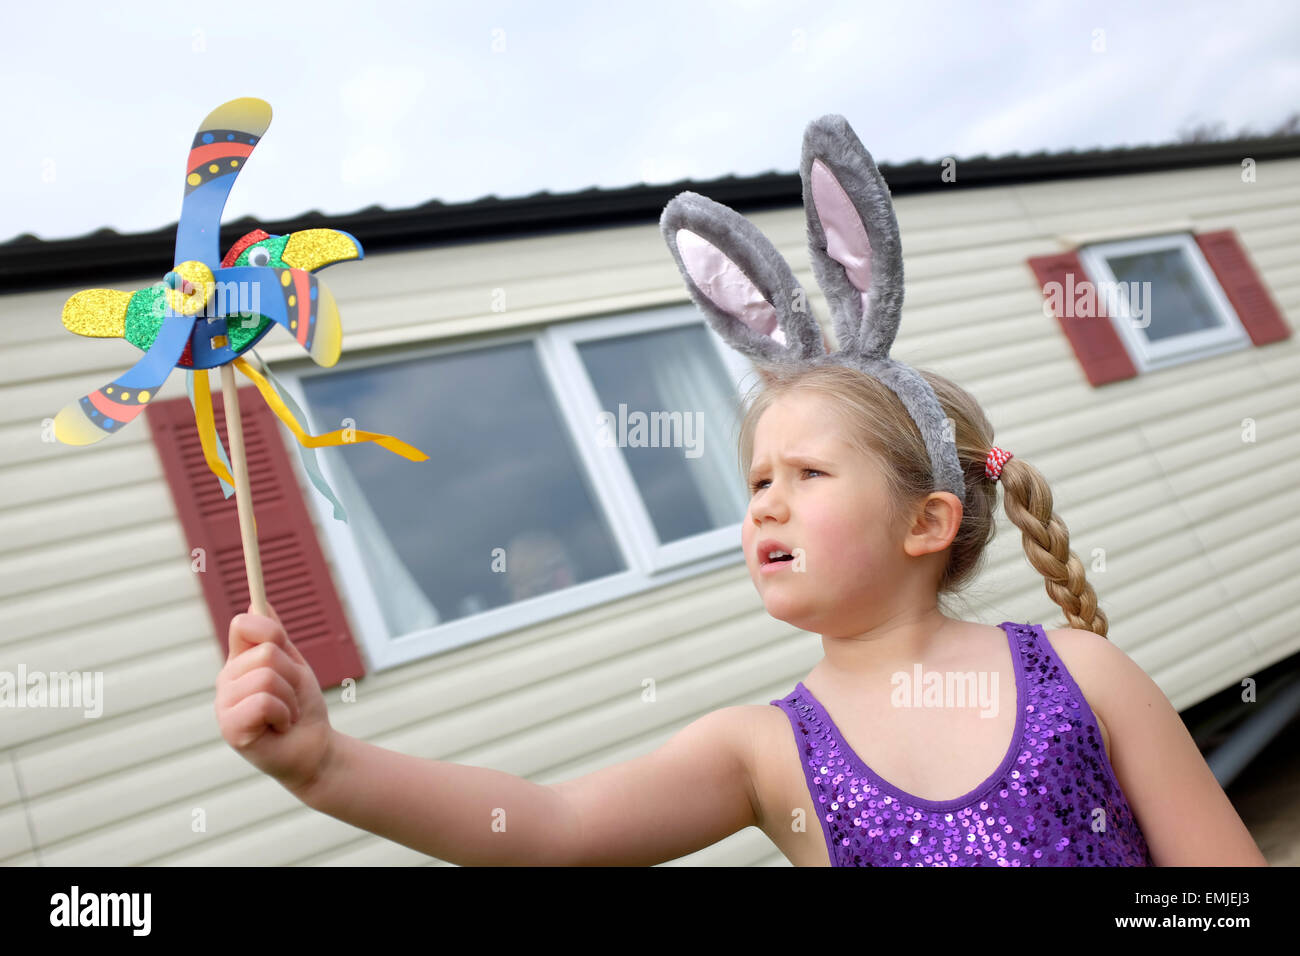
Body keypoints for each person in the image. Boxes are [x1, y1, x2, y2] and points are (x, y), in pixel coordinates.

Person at [215, 115, 1269, 867]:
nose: (762, 501)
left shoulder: (1080, 673)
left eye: (806, 475)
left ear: (927, 520)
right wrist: (324, 764)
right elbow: (549, 827)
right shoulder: (762, 750)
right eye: (757, 478)